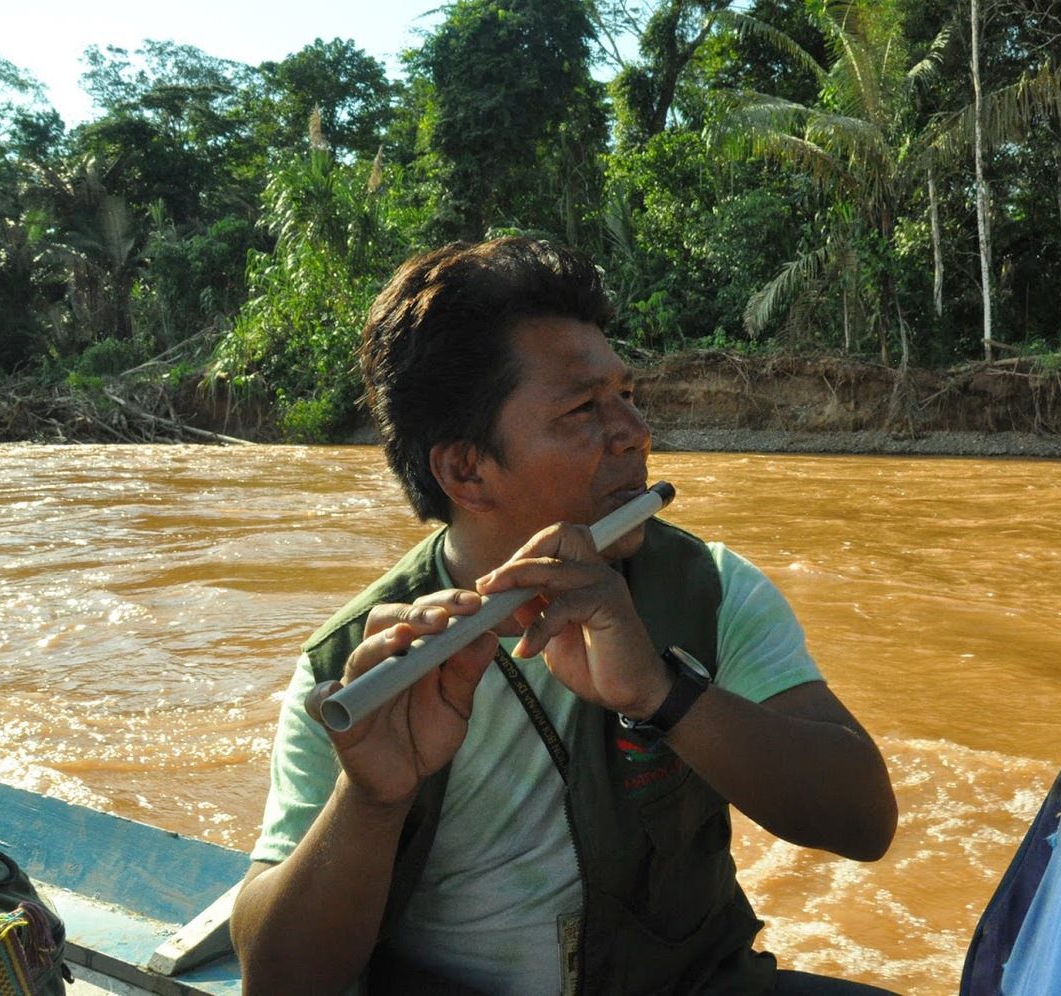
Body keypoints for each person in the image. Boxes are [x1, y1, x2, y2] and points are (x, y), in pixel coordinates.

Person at [231, 237, 899, 995]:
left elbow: (864, 821)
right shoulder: (355, 666)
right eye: (584, 408)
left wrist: (662, 695)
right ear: (465, 469)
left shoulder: (709, 590)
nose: (634, 433)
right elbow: (277, 982)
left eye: (628, 396)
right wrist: (372, 799)